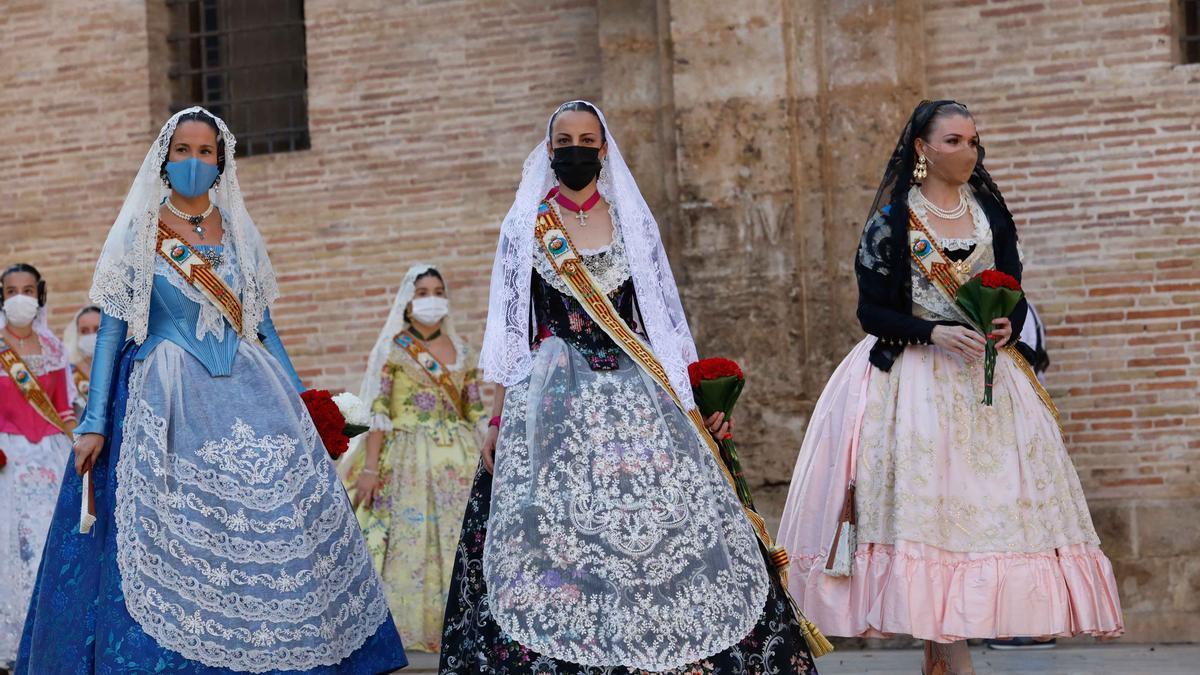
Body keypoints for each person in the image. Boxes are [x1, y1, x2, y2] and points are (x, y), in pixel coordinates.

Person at [17, 107, 407, 674]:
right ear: (164, 158)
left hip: (252, 391)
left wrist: (309, 408)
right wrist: (95, 420)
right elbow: (113, 330)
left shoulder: (240, 232)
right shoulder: (140, 233)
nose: (193, 162)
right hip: (166, 395)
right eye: (182, 151)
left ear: (219, 163)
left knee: (266, 528)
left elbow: (263, 328)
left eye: (205, 152)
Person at [438, 100, 823, 674]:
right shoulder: (526, 225)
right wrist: (497, 419)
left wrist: (694, 406)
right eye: (563, 140)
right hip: (554, 397)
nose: (575, 149)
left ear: (603, 148)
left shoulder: (633, 223)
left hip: (639, 393)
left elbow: (662, 325)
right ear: (548, 151)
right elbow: (511, 331)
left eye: (587, 140)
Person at [775, 100, 1123, 675]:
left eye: (974, 142)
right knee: (926, 516)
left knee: (987, 515)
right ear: (923, 149)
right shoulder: (893, 221)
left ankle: (949, 649)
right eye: (955, 141)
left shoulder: (989, 211)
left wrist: (1006, 322)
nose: (969, 152)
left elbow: (1011, 288)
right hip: (913, 382)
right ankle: (948, 655)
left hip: (988, 384)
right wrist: (933, 332)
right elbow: (872, 313)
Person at [341, 263, 485, 653]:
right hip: (406, 461)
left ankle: (462, 628)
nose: (431, 298)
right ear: (408, 302)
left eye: (437, 290)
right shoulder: (396, 350)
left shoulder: (464, 351)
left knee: (462, 541)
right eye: (422, 292)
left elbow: (475, 412)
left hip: (459, 460)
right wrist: (370, 469)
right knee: (409, 540)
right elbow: (380, 413)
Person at [0, 263, 72, 668]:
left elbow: (64, 410)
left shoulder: (54, 350)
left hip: (49, 457)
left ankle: (48, 639)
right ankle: (11, 644)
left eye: (28, 289)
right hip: (6, 460)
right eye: (12, 291)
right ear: (2, 297)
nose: (20, 297)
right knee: (9, 545)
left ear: (40, 295)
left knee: (48, 540)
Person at [63, 304, 102, 418]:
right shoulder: (70, 373)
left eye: (97, 329)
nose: (91, 335)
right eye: (84, 331)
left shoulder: (123, 368)